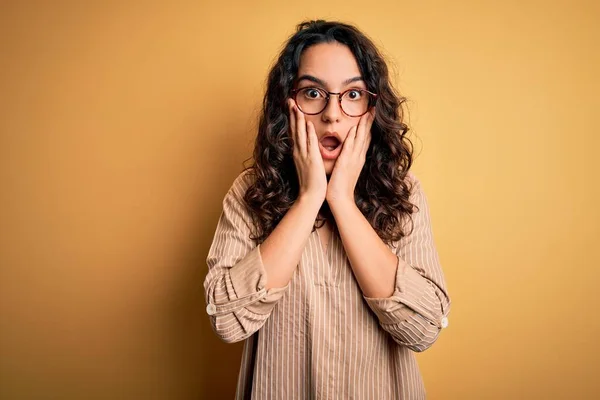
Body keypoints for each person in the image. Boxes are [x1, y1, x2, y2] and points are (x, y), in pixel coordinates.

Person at [203, 19, 451, 400]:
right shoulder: (249, 193)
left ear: (372, 107)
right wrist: (308, 198)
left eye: (352, 95)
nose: (332, 115)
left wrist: (341, 201)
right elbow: (227, 321)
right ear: (287, 103)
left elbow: (423, 328)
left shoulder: (404, 193)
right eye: (313, 93)